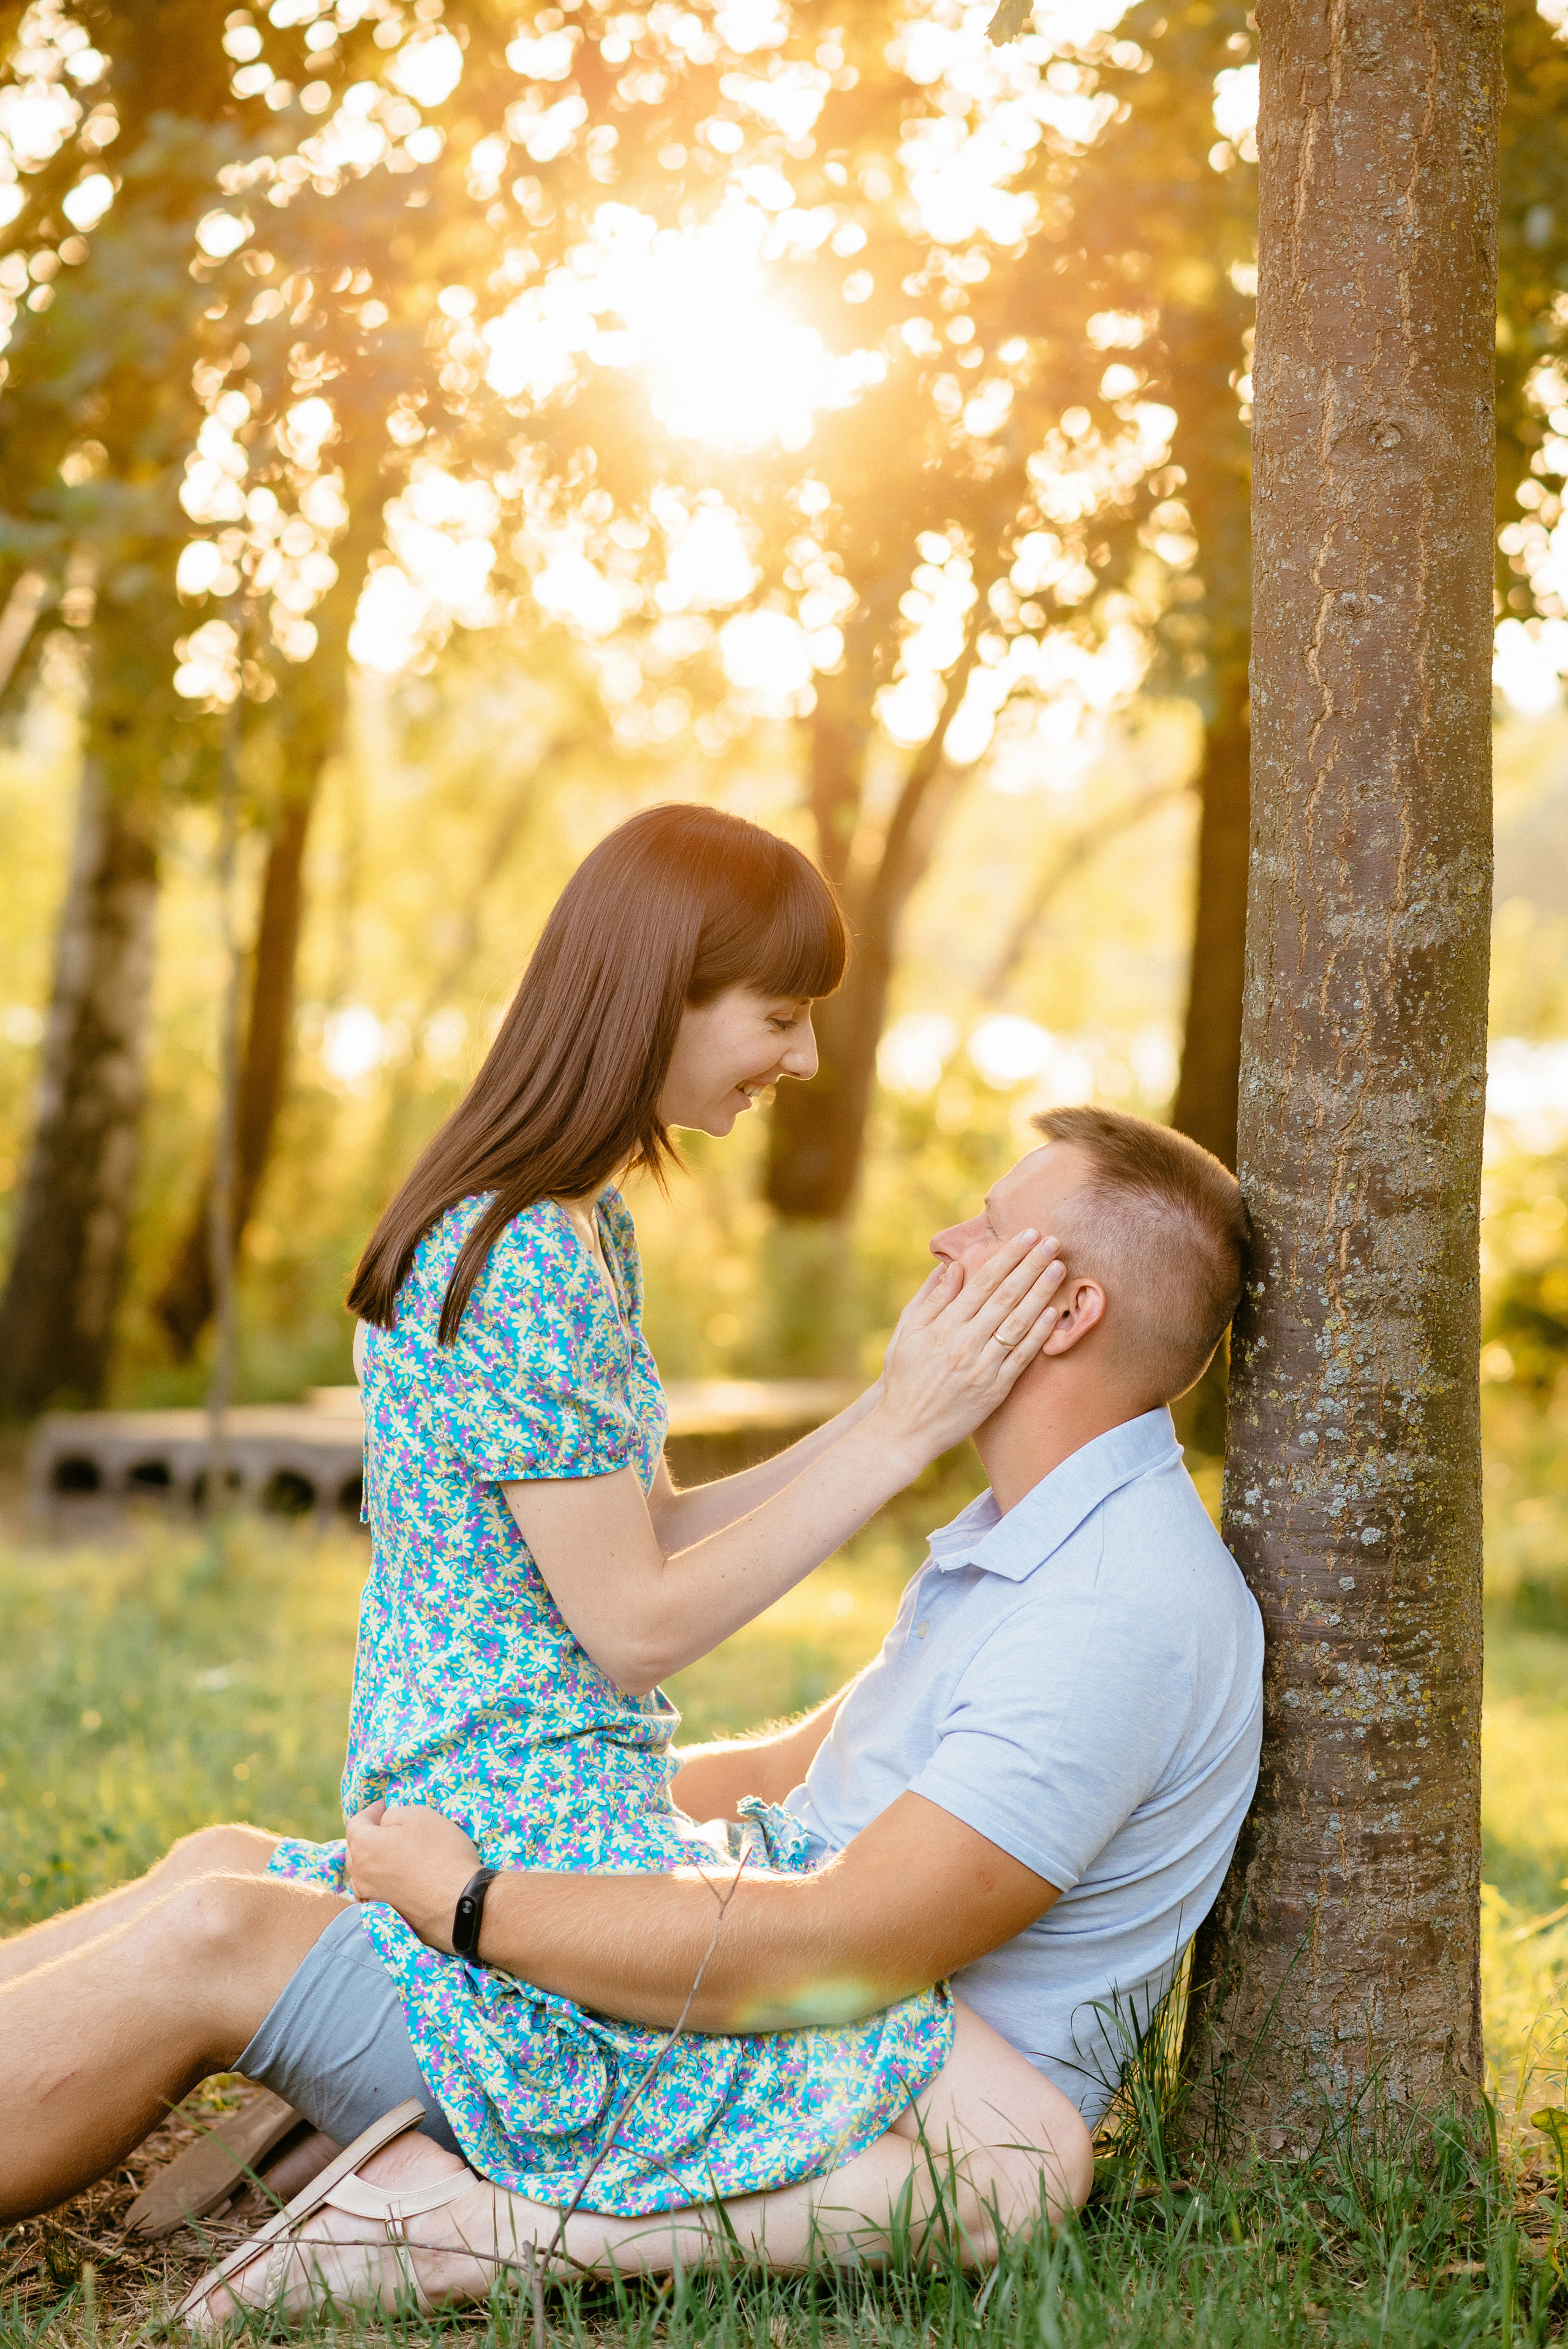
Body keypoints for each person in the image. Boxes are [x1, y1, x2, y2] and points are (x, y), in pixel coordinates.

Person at [0, 805, 1086, 2289]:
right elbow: (632, 1626)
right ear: (662, 991)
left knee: (226, 1864)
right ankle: (440, 2211)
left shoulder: (556, 1223)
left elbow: (627, 1537)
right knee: (972, 2126)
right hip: (512, 1837)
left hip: (507, 1803)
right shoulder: (520, 1257)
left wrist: (897, 1412)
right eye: (776, 1015)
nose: (802, 1060)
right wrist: (902, 1440)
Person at [0, 1095, 1262, 2322]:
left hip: (820, 2069)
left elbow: (843, 1949)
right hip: (748, 1995)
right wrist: (531, 1831)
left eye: (986, 1231)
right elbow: (792, 1770)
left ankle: (449, 2225)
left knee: (225, 1933)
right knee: (229, 1863)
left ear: (1063, 1310)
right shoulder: (1037, 1540)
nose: (944, 1245)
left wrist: (477, 1903)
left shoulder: (1109, 1610)